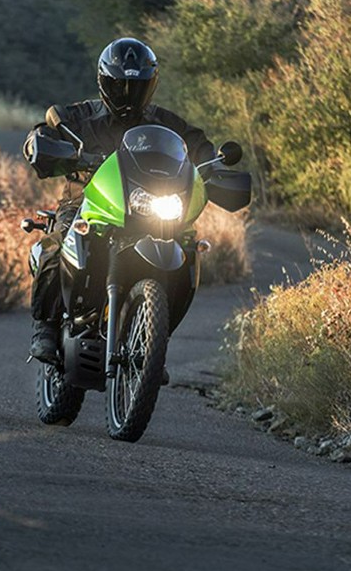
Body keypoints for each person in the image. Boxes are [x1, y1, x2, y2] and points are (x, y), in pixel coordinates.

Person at [23, 37, 217, 364]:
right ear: (104, 82)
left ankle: (153, 341)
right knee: (61, 238)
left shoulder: (166, 123)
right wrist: (44, 144)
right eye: (120, 85)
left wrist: (213, 164)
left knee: (188, 246)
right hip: (88, 203)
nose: (128, 93)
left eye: (137, 86)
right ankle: (45, 325)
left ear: (150, 85)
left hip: (146, 206)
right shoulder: (79, 116)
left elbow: (198, 146)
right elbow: (43, 134)